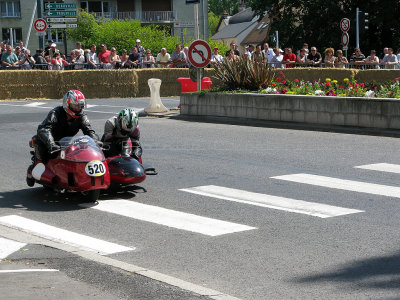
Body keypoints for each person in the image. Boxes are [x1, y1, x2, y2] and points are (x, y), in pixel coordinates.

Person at [31, 90, 98, 166]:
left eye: (80, 106)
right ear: (67, 104)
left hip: (65, 143)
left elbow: (89, 131)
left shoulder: (81, 116)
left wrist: (96, 141)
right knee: (44, 163)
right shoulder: (56, 113)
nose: (78, 108)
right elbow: (44, 129)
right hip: (48, 143)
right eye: (75, 106)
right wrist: (51, 144)